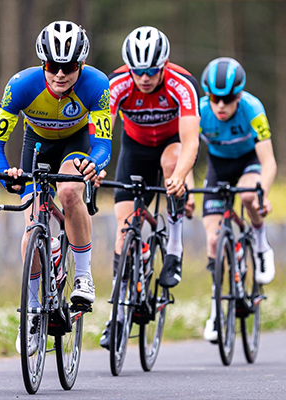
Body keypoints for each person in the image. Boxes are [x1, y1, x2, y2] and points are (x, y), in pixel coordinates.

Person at [0, 21, 112, 355]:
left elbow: (104, 146)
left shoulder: (97, 84)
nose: (59, 75)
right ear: (43, 64)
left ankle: (83, 276)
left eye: (68, 67)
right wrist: (4, 172)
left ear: (80, 65)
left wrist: (92, 165)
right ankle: (30, 314)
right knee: (31, 227)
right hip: (36, 145)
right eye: (52, 67)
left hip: (76, 143)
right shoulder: (21, 86)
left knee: (69, 191)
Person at [98, 26, 201, 349]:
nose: (144, 77)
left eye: (151, 71)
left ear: (164, 65)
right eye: (137, 71)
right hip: (135, 148)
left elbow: (191, 141)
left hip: (172, 145)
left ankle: (174, 247)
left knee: (173, 166)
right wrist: (97, 166)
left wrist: (180, 176)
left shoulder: (181, 84)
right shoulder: (117, 83)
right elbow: (102, 131)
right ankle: (115, 317)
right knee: (123, 227)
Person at [198, 57, 277, 342]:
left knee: (247, 196)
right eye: (215, 98)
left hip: (249, 163)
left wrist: (262, 194)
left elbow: (269, 163)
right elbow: (186, 150)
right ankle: (216, 311)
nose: (220, 105)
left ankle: (259, 243)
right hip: (218, 167)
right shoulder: (200, 110)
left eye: (228, 99)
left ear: (239, 95)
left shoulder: (253, 109)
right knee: (213, 239)